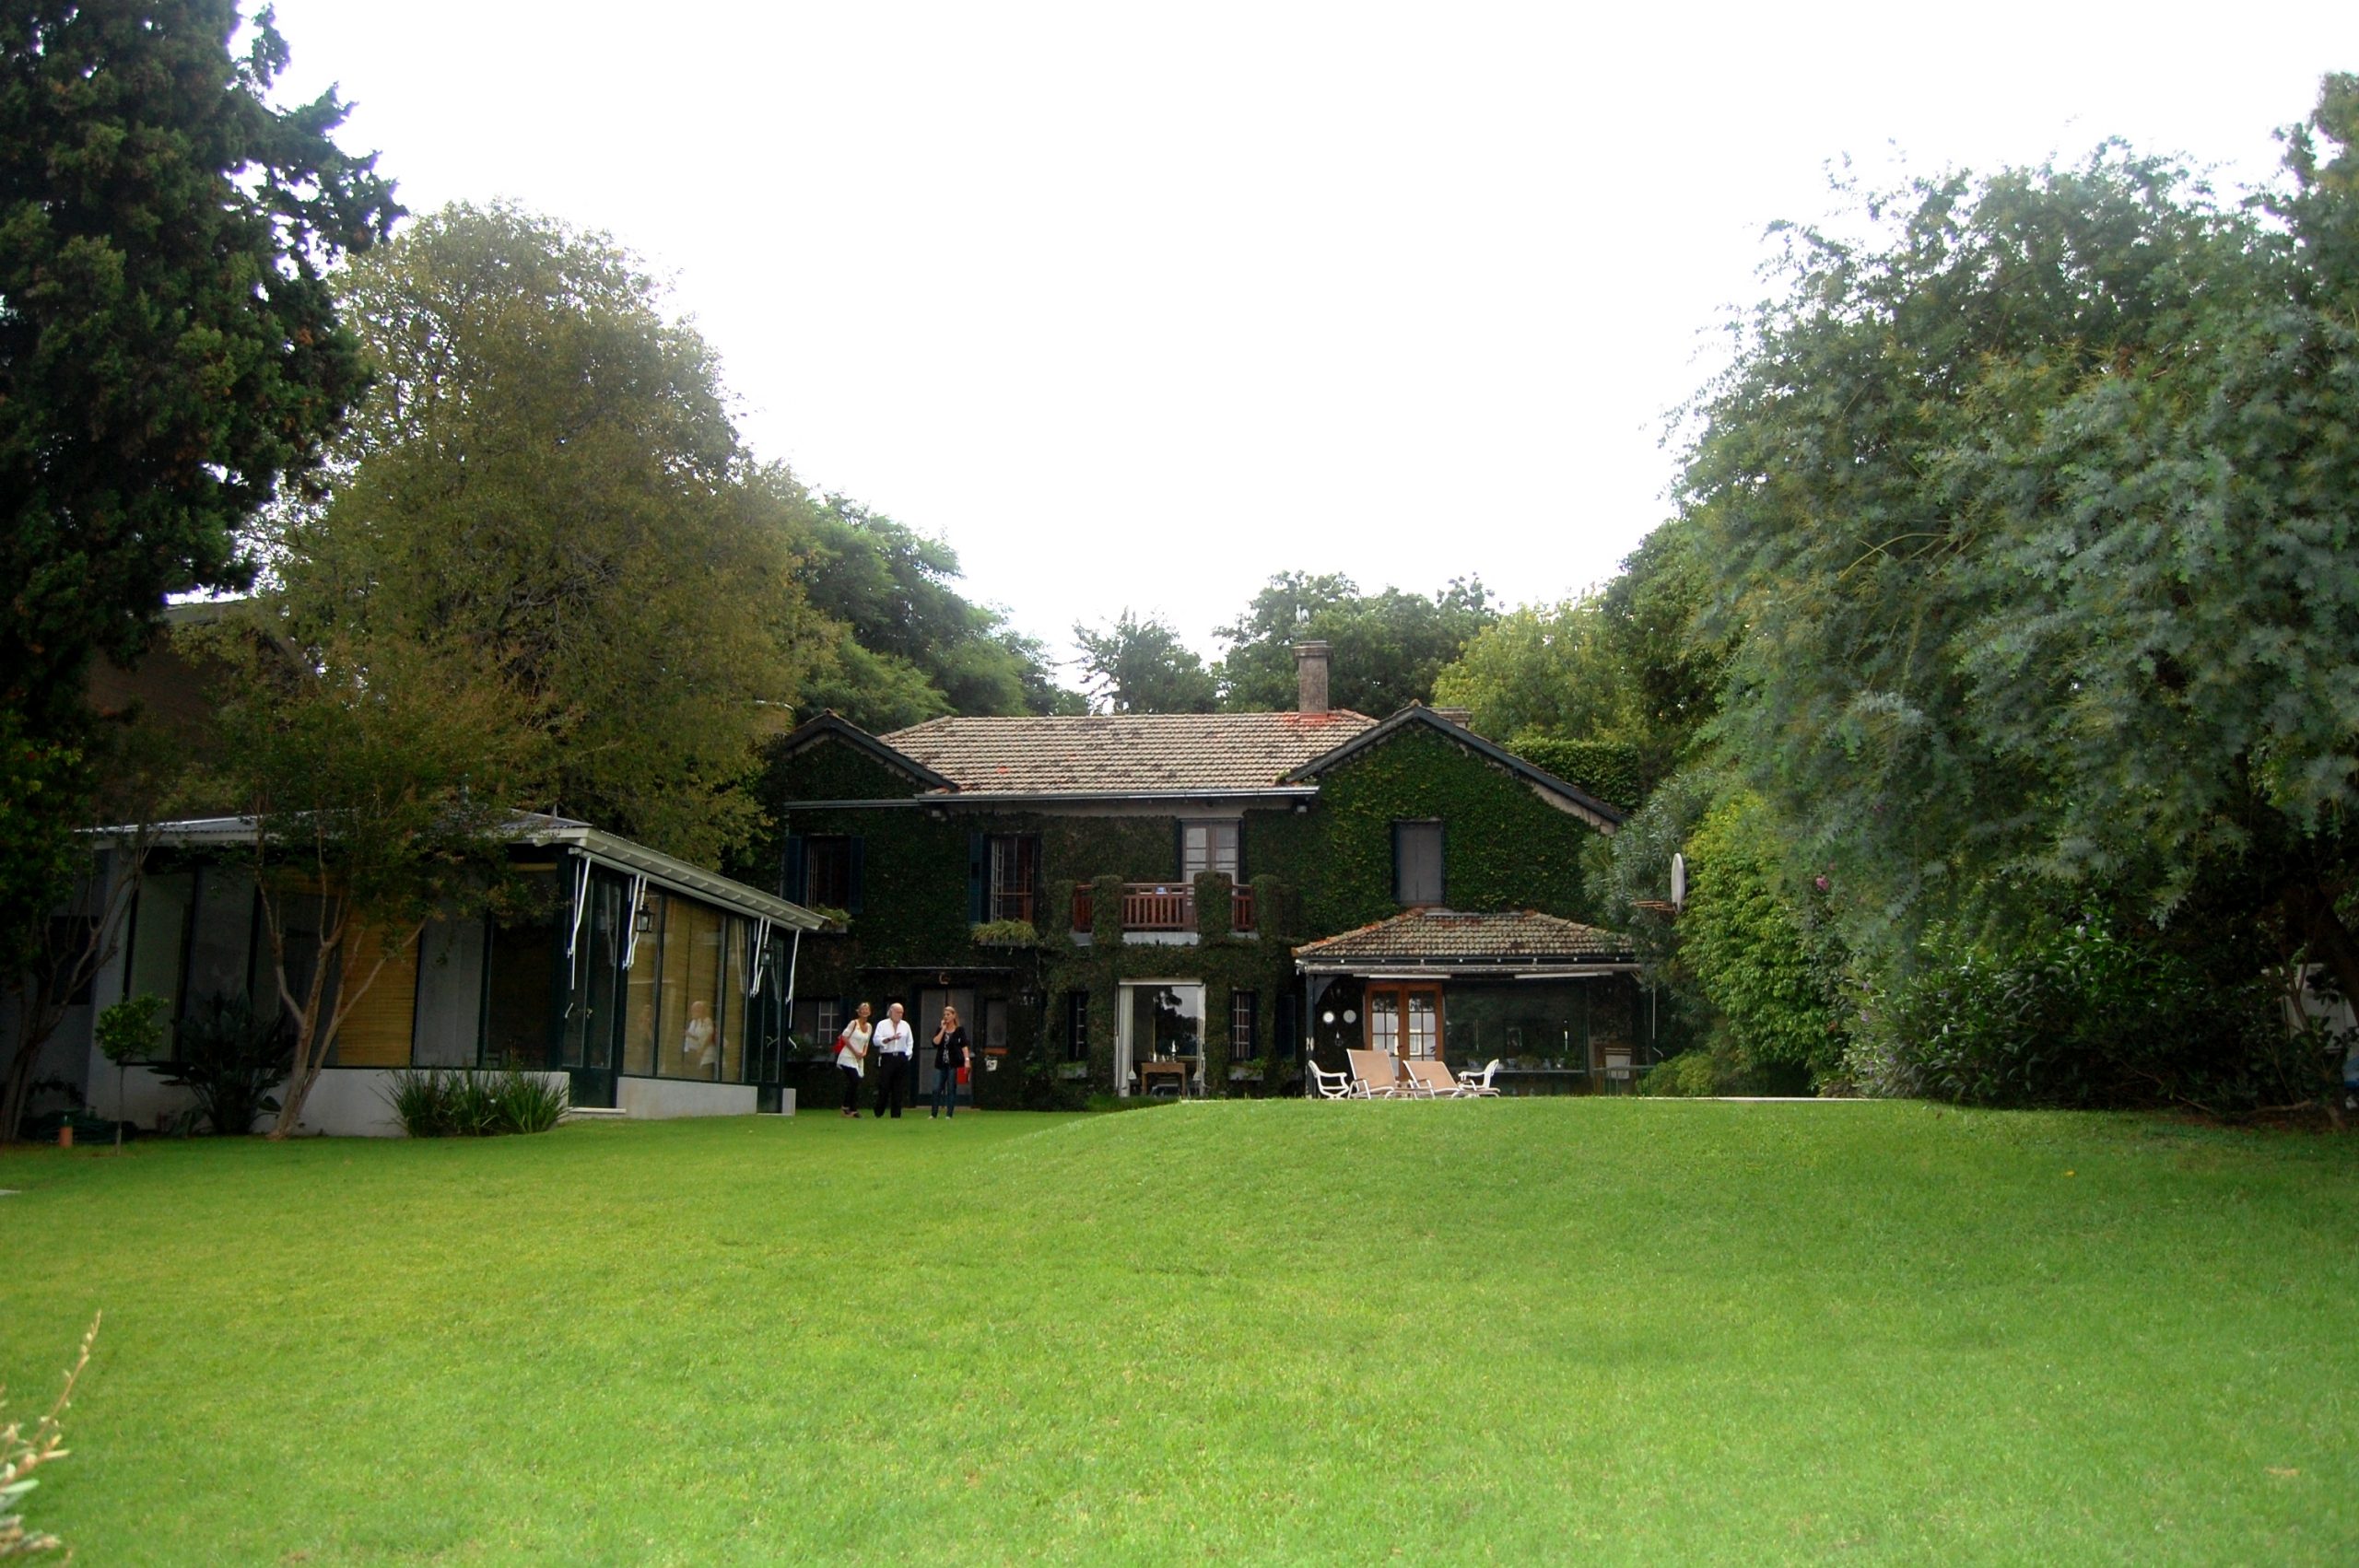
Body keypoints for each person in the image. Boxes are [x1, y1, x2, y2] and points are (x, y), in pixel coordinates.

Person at [870, 1001, 914, 1117]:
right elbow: (876, 1040)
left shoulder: (905, 1025)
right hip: (887, 1057)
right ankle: (878, 1112)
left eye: (902, 1013)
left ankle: (896, 1114)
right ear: (891, 1012)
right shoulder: (882, 1024)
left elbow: (910, 1041)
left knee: (898, 1087)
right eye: (898, 1012)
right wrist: (890, 1039)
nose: (900, 1015)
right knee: (884, 1085)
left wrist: (907, 1054)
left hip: (901, 1057)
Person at [929, 1004, 971, 1119]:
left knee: (951, 1088)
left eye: (948, 1014)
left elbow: (964, 1046)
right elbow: (935, 1043)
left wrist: (967, 1060)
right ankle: (933, 1113)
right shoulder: (940, 1029)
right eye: (944, 1015)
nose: (946, 1017)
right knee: (936, 1088)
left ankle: (949, 1114)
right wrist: (943, 1029)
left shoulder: (959, 1030)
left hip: (953, 1064)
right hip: (941, 1063)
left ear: (953, 1016)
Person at [833, 1001, 872, 1118]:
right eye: (863, 1009)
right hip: (847, 1056)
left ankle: (852, 1109)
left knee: (855, 1082)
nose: (865, 1011)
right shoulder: (853, 1023)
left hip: (858, 1058)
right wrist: (854, 1051)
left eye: (867, 1009)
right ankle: (847, 1107)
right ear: (859, 1012)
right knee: (854, 1079)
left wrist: (864, 1053)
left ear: (870, 1012)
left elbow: (866, 1042)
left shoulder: (869, 1027)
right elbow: (844, 1037)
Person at [683, 999, 716, 1071]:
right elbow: (699, 1037)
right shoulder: (697, 1022)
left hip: (707, 1053)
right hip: (697, 1052)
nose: (692, 1012)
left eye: (695, 1010)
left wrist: (702, 1049)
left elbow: (710, 1036)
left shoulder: (707, 1021)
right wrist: (690, 1035)